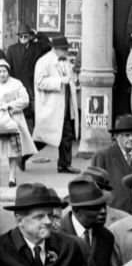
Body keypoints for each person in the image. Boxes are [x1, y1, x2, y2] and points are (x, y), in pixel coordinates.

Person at [33, 35, 79, 173]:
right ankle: (23, 156)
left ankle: (64, 164)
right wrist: (59, 81)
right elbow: (39, 82)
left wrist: (73, 82)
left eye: (66, 49)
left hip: (64, 104)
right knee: (43, 138)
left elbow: (69, 78)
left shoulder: (65, 61)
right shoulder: (44, 61)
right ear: (55, 49)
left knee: (67, 135)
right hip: (51, 106)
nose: (66, 52)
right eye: (63, 49)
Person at [92, 115, 132, 213]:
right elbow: (95, 189)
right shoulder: (102, 156)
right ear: (116, 136)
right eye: (127, 135)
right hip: (114, 213)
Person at [0, 58, 34, 186]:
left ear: (8, 72)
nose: (2, 74)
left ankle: (12, 177)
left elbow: (25, 100)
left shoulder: (16, 83)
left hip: (12, 122)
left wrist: (10, 106)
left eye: (4, 71)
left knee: (12, 151)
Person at [6, 24, 42, 127]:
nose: (23, 38)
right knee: (17, 114)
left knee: (33, 114)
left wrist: (36, 35)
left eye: (25, 36)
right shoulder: (12, 49)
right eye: (21, 36)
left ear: (30, 36)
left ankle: (31, 139)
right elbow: (9, 69)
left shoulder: (36, 48)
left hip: (32, 86)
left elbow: (47, 45)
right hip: (17, 85)